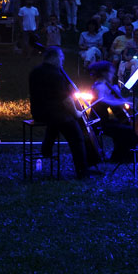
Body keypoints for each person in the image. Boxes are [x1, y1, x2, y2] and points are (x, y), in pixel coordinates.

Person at [28, 47, 93, 179]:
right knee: (76, 137)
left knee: (57, 122)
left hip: (38, 112)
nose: (62, 61)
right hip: (54, 113)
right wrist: (76, 113)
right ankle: (82, 171)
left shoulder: (35, 72)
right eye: (61, 58)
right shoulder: (56, 75)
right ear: (54, 58)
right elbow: (66, 100)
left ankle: (46, 149)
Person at [88, 61, 138, 162]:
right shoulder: (99, 86)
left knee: (127, 127)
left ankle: (124, 156)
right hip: (98, 122)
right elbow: (102, 100)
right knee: (128, 130)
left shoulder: (105, 85)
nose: (113, 75)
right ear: (104, 73)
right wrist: (122, 102)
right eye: (111, 73)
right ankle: (118, 158)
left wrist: (122, 99)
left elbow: (110, 100)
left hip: (105, 120)